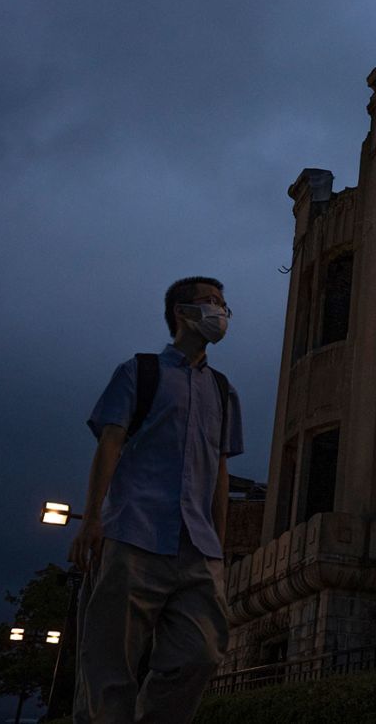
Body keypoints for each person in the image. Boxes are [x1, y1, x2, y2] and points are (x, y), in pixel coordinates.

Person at [69, 276, 243, 723]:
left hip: (198, 548)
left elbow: (219, 470)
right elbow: (110, 442)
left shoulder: (223, 391)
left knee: (201, 653)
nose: (220, 312)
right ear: (182, 313)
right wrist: (92, 520)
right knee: (111, 665)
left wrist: (219, 545)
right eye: (210, 302)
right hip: (134, 533)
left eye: (224, 305)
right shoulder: (139, 372)